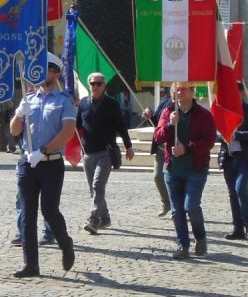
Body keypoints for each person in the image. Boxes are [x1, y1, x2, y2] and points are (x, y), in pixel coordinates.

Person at [9, 54, 76, 278]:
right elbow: (14, 130)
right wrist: (19, 114)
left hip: (51, 163)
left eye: (45, 70)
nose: (39, 74)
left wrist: (44, 150)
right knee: (28, 213)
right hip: (28, 162)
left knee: (49, 209)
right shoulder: (29, 98)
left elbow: (67, 132)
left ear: (55, 73)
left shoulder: (64, 101)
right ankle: (31, 264)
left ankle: (65, 242)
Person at [154, 82, 216, 258]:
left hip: (196, 169)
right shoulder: (168, 113)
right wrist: (169, 126)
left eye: (183, 89)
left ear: (192, 91)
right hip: (173, 170)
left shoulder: (204, 115)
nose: (179, 93)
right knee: (177, 210)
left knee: (191, 206)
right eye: (176, 90)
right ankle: (183, 245)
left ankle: (200, 236)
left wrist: (187, 149)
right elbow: (158, 137)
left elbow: (209, 141)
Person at [76, 72, 134, 234]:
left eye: (98, 84)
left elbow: (121, 126)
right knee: (92, 188)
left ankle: (94, 219)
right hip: (87, 153)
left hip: (105, 152)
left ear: (104, 86)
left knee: (97, 184)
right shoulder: (83, 103)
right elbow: (77, 125)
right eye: (92, 84)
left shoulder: (112, 104)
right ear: (89, 85)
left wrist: (128, 146)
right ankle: (106, 217)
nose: (95, 86)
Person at [220, 82, 248, 239]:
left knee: (240, 189)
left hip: (245, 157)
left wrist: (237, 135)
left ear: (241, 94)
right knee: (232, 193)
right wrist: (223, 134)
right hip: (228, 157)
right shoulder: (223, 110)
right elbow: (217, 132)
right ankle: (237, 228)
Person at [142, 88, 173, 217]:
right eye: (174, 90)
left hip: (175, 149)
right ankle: (166, 203)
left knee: (174, 179)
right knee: (157, 176)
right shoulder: (164, 103)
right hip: (161, 148)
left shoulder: (185, 106)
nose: (177, 93)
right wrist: (148, 115)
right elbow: (156, 123)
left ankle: (178, 206)